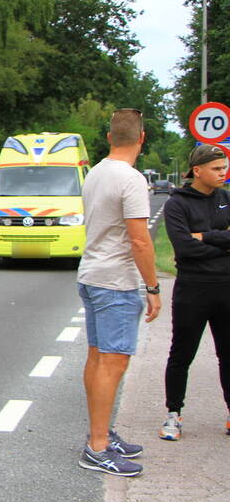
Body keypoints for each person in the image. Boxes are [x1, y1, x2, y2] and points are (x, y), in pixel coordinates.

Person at [77, 108, 160, 476]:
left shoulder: (95, 172)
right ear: (141, 138)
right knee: (114, 362)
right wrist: (153, 287)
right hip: (116, 281)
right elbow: (140, 240)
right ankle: (97, 447)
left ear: (110, 137)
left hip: (92, 274)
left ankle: (101, 434)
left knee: (97, 358)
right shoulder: (132, 179)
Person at [159, 143, 230, 441]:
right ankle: (173, 414)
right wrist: (222, 242)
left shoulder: (227, 198)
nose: (223, 173)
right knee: (181, 353)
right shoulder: (177, 204)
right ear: (197, 171)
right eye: (217, 169)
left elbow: (197, 243)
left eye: (224, 167)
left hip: (226, 287)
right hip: (192, 289)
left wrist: (205, 237)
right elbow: (184, 247)